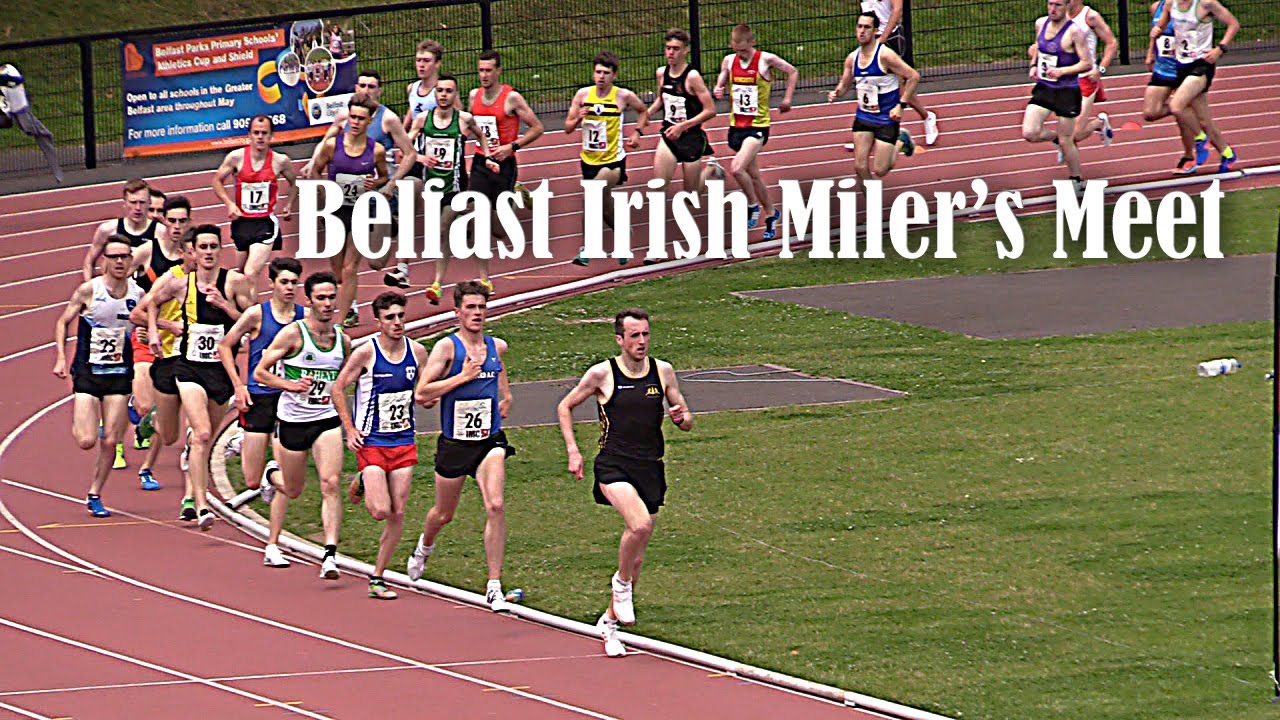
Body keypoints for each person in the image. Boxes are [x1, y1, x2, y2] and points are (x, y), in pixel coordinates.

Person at [555, 308, 693, 658]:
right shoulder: (603, 373)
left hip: (650, 467)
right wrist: (573, 451)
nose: (642, 341)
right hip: (613, 465)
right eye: (634, 336)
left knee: (638, 556)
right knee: (639, 524)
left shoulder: (663, 371)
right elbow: (564, 406)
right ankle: (620, 586)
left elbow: (686, 417)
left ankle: (609, 623)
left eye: (645, 334)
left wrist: (682, 418)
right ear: (620, 339)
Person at [133, 225, 255, 530]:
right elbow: (150, 303)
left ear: (220, 250)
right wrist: (154, 335)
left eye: (214, 246)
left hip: (221, 371)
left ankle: (189, 471)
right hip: (188, 368)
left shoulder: (235, 283)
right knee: (200, 434)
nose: (209, 252)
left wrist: (224, 306)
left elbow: (254, 323)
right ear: (194, 252)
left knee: (203, 437)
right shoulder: (180, 284)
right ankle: (200, 504)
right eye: (204, 247)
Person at [408, 280, 515, 612]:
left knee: (495, 505)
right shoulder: (447, 349)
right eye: (471, 307)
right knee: (443, 514)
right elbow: (421, 394)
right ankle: (424, 548)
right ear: (457, 312)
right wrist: (462, 378)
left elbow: (499, 376)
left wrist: (506, 395)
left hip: (489, 440)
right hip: (455, 444)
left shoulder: (496, 347)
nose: (477, 313)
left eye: (482, 307)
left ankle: (494, 585)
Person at [332, 292, 430, 600]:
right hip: (372, 441)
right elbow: (338, 388)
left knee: (398, 512)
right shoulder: (366, 353)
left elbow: (424, 392)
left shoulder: (417, 352)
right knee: (379, 511)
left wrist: (430, 398)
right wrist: (350, 430)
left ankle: (378, 576)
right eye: (390, 317)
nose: (398, 322)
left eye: (401, 316)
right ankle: (361, 479)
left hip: (403, 440)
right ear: (379, 321)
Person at [253, 272, 351, 577]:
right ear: (308, 301)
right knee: (293, 490)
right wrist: (289, 385)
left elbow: (344, 382)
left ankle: (330, 555)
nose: (327, 304)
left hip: (325, 420)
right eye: (320, 298)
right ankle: (272, 475)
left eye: (331, 297)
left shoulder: (342, 341)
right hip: (293, 421)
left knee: (331, 483)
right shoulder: (293, 334)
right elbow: (260, 373)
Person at [306, 75, 418, 321]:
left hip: (362, 209)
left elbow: (383, 175)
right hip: (336, 209)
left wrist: (380, 184)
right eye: (352, 117)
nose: (355, 122)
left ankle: (345, 317)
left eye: (361, 118)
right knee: (337, 270)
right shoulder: (332, 145)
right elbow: (316, 168)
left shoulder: (376, 148)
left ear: (369, 121)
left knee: (350, 267)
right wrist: (322, 190)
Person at [52, 237, 144, 518]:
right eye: (113, 257)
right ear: (103, 260)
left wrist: (144, 334)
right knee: (86, 440)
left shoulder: (138, 294)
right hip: (88, 373)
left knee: (111, 441)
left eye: (124, 257)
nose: (119, 262)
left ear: (131, 260)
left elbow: (146, 323)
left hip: (118, 375)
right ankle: (99, 421)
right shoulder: (89, 291)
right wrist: (60, 357)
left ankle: (95, 493)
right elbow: (62, 321)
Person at [216, 257, 305, 506]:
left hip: (289, 398)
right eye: (284, 282)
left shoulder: (304, 318)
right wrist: (238, 385)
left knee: (288, 474)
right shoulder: (257, 315)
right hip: (259, 397)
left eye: (294, 283)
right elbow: (224, 346)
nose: (289, 288)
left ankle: (272, 472)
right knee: (252, 480)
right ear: (273, 283)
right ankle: (245, 445)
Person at [408, 74, 499, 303]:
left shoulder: (464, 119)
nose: (443, 95)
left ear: (455, 94)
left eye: (448, 91)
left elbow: (481, 136)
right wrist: (420, 158)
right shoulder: (422, 119)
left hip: (456, 187)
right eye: (439, 91)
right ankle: (481, 278)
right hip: (433, 188)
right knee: (445, 235)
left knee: (444, 228)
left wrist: (487, 156)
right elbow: (406, 148)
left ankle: (439, 283)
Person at [463, 50, 545, 297]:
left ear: (498, 71)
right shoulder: (473, 96)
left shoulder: (512, 98)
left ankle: (517, 192)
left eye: (489, 70)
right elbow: (471, 127)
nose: (484, 75)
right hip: (481, 162)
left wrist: (513, 146)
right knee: (478, 214)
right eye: (481, 70)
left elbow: (538, 127)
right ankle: (483, 278)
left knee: (500, 230)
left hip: (505, 165)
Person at [125, 195, 193, 490]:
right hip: (151, 343)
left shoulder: (204, 267)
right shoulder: (151, 255)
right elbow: (124, 293)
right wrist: (156, 326)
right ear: (162, 220)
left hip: (186, 354)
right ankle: (145, 416)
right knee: (148, 409)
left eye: (183, 221)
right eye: (172, 220)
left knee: (189, 422)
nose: (177, 226)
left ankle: (189, 482)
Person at [713, 25, 798, 242]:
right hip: (736, 127)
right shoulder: (728, 61)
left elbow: (792, 71)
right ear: (733, 46)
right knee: (755, 175)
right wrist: (718, 88)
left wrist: (787, 98)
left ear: (752, 43)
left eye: (745, 50)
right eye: (738, 50)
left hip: (757, 127)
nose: (742, 54)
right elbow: (721, 78)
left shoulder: (765, 60)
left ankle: (752, 205)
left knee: (736, 168)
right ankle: (771, 213)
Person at [567, 51, 651, 265]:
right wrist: (578, 118)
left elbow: (643, 111)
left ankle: (588, 248)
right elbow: (567, 128)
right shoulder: (582, 95)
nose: (601, 77)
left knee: (593, 195)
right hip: (588, 161)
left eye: (606, 73)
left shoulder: (622, 96)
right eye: (597, 72)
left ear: (614, 75)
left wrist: (636, 133)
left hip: (613, 160)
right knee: (604, 207)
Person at [828, 12, 920, 183]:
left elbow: (913, 76)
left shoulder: (885, 56)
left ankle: (901, 140)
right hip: (864, 116)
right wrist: (836, 93)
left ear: (876, 31)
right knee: (860, 167)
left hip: (886, 118)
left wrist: (901, 105)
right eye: (859, 26)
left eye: (867, 27)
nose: (862, 31)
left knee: (880, 170)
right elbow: (844, 84)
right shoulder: (852, 58)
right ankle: (872, 204)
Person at [1150, 0, 1240, 173]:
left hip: (1202, 64)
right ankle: (1227, 153)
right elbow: (1161, 26)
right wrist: (1157, 31)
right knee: (1204, 120)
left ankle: (1200, 139)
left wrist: (1219, 49)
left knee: (1176, 106)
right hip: (1182, 64)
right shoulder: (1170, 3)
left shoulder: (1206, 4)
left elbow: (1233, 24)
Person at [212, 115, 298, 280]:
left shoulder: (280, 161)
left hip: (265, 223)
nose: (260, 137)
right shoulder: (236, 157)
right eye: (256, 133)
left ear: (271, 136)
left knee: (251, 273)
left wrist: (289, 205)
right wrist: (229, 204)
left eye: (264, 133)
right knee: (241, 276)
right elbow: (216, 181)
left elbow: (295, 183)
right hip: (241, 222)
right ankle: (247, 306)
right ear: (249, 135)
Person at [1022, 0, 1094, 195]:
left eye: (1058, 5)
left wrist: (1063, 71)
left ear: (1067, 7)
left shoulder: (1074, 32)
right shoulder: (1040, 24)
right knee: (1030, 132)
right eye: (1050, 4)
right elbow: (1038, 47)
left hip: (1067, 91)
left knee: (1067, 140)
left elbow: (1086, 63)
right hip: (1045, 87)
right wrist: (1033, 65)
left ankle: (1077, 179)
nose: (1053, 9)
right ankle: (1056, 140)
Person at [850, 0, 939, 146]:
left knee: (899, 88)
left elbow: (897, 11)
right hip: (872, 37)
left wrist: (883, 39)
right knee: (869, 85)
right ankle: (866, 132)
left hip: (890, 38)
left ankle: (927, 116)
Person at [648, 29, 723, 200]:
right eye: (668, 48)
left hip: (691, 138)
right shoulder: (661, 73)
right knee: (658, 188)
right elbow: (662, 99)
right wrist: (647, 113)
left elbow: (710, 110)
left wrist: (683, 126)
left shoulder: (692, 77)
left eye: (675, 48)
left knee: (691, 197)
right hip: (669, 135)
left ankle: (711, 168)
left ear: (685, 50)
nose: (671, 53)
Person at [1143, 0, 1213, 174]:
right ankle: (1182, 108)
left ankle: (1189, 156)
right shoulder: (1156, 7)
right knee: (1150, 112)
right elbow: (1156, 32)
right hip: (1163, 68)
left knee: (1182, 114)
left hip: (1184, 66)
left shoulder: (1192, 7)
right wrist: (1150, 52)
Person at [83, 179, 166, 282]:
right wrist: (90, 289)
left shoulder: (161, 232)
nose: (138, 208)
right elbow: (89, 261)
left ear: (149, 203)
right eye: (133, 202)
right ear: (125, 203)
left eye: (142, 202)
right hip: (115, 293)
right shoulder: (108, 230)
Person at [1062, 0, 1118, 151]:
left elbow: (1112, 43)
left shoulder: (1090, 16)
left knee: (1075, 134)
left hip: (1086, 78)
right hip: (1064, 79)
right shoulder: (1059, 15)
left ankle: (1098, 123)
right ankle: (1067, 153)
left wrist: (1101, 70)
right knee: (1065, 132)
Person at [0, 62, 63, 183]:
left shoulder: (9, 73)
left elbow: (16, 83)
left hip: (19, 110)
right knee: (43, 134)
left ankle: (57, 173)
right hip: (12, 112)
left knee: (44, 135)